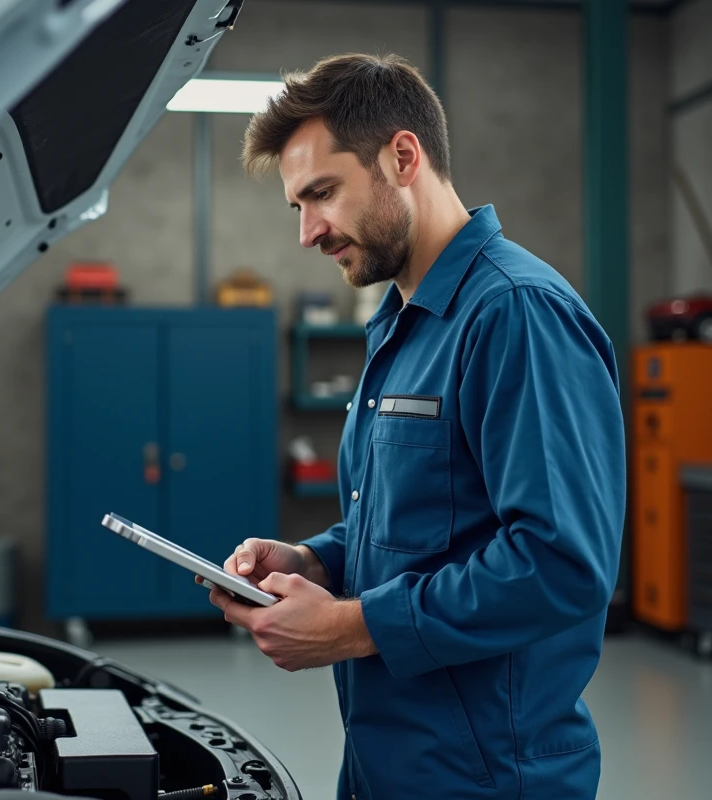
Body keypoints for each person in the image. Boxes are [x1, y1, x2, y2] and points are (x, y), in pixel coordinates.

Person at [205, 53, 626, 800]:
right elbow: (420, 520)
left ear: (403, 157)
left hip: (486, 777)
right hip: (384, 761)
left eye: (322, 193)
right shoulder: (402, 324)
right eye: (297, 206)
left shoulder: (516, 313)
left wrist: (349, 627)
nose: (307, 232)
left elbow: (560, 562)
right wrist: (315, 561)